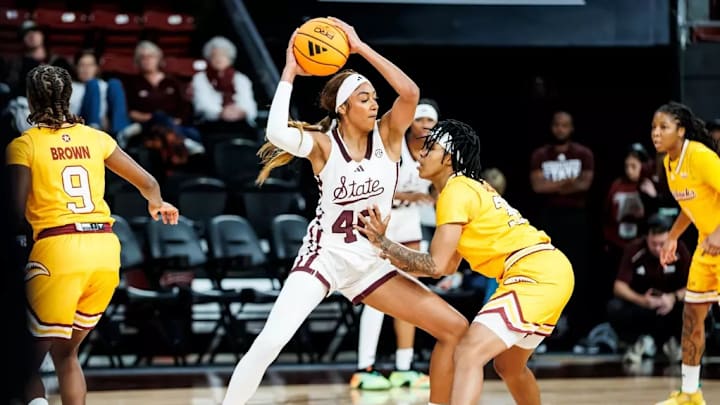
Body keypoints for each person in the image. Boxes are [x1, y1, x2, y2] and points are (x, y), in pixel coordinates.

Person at [220, 18, 468, 405]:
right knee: (269, 343)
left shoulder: (387, 136)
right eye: (365, 98)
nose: (375, 103)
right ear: (343, 107)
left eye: (373, 97)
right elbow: (276, 134)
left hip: (370, 262)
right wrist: (289, 71)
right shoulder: (322, 144)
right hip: (324, 259)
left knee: (454, 327)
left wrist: (359, 47)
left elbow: (410, 92)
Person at [357, 119, 575, 404]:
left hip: (533, 273)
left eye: (431, 149)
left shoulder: (454, 191)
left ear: (450, 158)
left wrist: (384, 244)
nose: (421, 154)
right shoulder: (469, 187)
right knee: (509, 367)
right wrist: (388, 253)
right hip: (550, 270)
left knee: (469, 351)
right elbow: (445, 267)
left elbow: (435, 265)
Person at [5, 65, 179, 405]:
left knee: (21, 363)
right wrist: (157, 204)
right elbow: (148, 183)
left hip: (58, 250)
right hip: (104, 251)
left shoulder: (24, 145)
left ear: (30, 100)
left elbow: (13, 209)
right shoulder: (96, 138)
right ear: (69, 96)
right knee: (66, 355)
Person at [350, 99, 438, 390]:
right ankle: (365, 367)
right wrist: (411, 196)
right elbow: (373, 184)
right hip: (382, 222)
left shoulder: (434, 155)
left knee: (409, 296)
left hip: (409, 224)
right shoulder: (392, 145)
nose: (425, 126)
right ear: (410, 122)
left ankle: (404, 366)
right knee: (376, 297)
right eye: (421, 120)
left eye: (431, 122)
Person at [652, 101, 720, 405]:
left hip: (717, 239)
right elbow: (689, 206)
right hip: (707, 247)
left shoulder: (701, 157)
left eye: (663, 127)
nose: (656, 133)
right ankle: (691, 394)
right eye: (654, 127)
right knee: (692, 317)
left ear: (680, 130)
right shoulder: (669, 162)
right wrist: (672, 237)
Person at [607, 214, 689, 364]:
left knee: (698, 306)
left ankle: (675, 343)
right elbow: (619, 286)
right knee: (615, 307)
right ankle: (640, 342)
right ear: (647, 238)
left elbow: (694, 285)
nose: (658, 249)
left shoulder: (680, 250)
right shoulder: (634, 249)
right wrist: (642, 300)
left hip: (672, 307)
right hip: (644, 306)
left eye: (662, 243)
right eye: (653, 243)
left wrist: (673, 297)